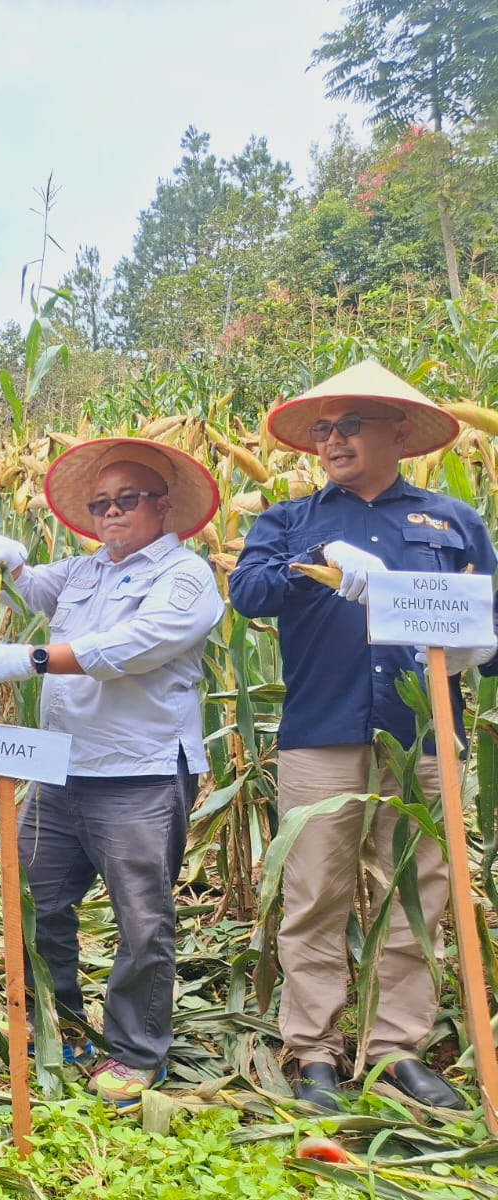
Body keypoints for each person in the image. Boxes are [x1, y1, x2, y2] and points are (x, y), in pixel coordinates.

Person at [229, 360, 497, 1111]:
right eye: (323, 428)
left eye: (351, 424)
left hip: (425, 735)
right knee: (318, 892)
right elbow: (247, 593)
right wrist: (315, 560)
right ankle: (313, 1049)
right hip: (321, 730)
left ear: (398, 432)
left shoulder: (453, 521)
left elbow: (491, 628)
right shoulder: (290, 520)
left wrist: (478, 645)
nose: (333, 439)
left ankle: (396, 1049)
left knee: (419, 893)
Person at [0, 438, 224, 1107]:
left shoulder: (186, 576)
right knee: (37, 902)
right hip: (60, 770)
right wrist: (14, 566)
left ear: (163, 507)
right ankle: (63, 1025)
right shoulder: (87, 573)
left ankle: (139, 1051)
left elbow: (137, 647)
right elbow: (35, 588)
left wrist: (35, 658)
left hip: (137, 772)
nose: (111, 513)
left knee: (142, 919)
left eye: (127, 500)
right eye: (101, 503)